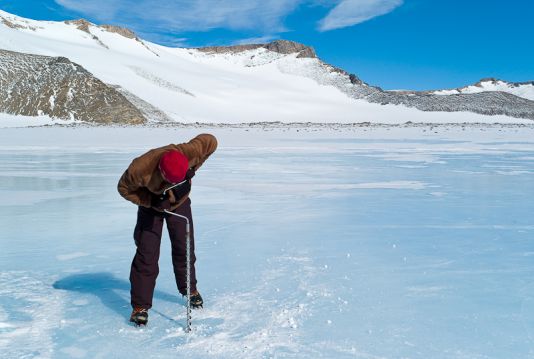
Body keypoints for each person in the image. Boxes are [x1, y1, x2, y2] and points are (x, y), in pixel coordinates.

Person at [117, 133, 218, 326]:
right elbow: (123, 188)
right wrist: (149, 201)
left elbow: (211, 141)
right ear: (161, 171)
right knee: (146, 253)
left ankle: (190, 289)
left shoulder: (190, 152)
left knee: (184, 247)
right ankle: (140, 306)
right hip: (151, 208)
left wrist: (194, 169)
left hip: (180, 205)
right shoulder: (140, 168)